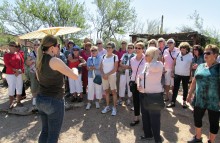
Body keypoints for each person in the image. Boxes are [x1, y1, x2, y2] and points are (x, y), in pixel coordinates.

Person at [36, 35, 78, 143]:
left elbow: (38, 78)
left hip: (41, 99)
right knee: (53, 136)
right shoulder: (54, 61)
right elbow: (74, 76)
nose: (59, 48)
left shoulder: (39, 60)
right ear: (52, 47)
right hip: (54, 100)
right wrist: (74, 68)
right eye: (57, 45)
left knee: (45, 131)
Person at [186, 44, 220, 143]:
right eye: (205, 52)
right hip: (199, 98)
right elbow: (194, 80)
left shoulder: (218, 68)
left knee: (213, 121)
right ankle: (198, 137)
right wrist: (189, 94)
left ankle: (211, 141)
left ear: (215, 55)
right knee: (197, 117)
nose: (205, 54)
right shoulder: (200, 66)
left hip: (214, 100)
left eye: (208, 53)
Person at [137, 47, 164, 143]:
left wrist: (156, 55)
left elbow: (153, 68)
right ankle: (148, 135)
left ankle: (157, 140)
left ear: (153, 56)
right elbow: (139, 76)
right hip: (144, 94)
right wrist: (138, 84)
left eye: (147, 54)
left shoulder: (158, 64)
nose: (145, 56)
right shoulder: (146, 64)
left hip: (154, 96)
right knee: (145, 116)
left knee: (155, 119)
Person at [166, 42, 193, 108]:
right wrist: (172, 71)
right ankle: (173, 102)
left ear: (187, 49)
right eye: (181, 48)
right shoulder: (177, 54)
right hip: (177, 74)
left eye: (184, 48)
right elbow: (174, 63)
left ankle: (184, 102)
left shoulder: (190, 55)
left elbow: (191, 66)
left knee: (185, 88)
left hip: (186, 75)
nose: (182, 49)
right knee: (175, 88)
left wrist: (190, 76)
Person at [129, 42, 146, 126]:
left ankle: (145, 121)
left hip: (143, 83)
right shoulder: (132, 59)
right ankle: (136, 118)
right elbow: (133, 71)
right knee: (135, 101)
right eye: (136, 48)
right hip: (134, 82)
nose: (137, 50)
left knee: (143, 102)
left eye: (139, 48)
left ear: (143, 49)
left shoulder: (146, 58)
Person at [100, 42, 119, 116]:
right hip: (104, 76)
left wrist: (107, 74)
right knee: (106, 91)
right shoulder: (103, 56)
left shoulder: (115, 57)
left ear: (113, 48)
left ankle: (114, 107)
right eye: (107, 47)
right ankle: (107, 106)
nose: (108, 49)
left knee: (114, 92)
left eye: (110, 47)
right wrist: (103, 74)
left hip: (112, 76)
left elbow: (115, 69)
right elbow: (100, 67)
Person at [4, 42, 24, 108]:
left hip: (19, 73)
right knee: (11, 87)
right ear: (9, 46)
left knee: (19, 87)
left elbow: (22, 63)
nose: (13, 47)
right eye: (12, 45)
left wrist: (19, 71)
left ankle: (18, 101)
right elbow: (7, 64)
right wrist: (15, 70)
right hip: (10, 74)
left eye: (15, 46)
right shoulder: (6, 55)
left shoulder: (19, 54)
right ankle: (11, 103)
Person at [25, 39, 40, 111]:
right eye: (35, 44)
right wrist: (33, 61)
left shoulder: (42, 53)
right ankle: (34, 101)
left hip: (41, 73)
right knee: (34, 86)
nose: (36, 46)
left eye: (38, 44)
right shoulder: (31, 54)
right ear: (33, 46)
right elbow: (27, 63)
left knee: (41, 86)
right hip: (33, 72)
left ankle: (41, 100)